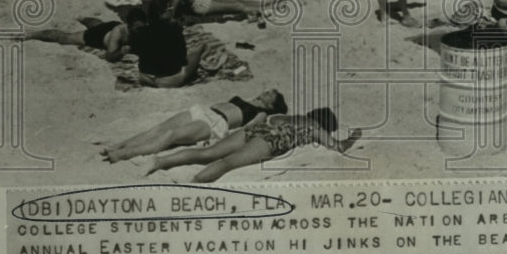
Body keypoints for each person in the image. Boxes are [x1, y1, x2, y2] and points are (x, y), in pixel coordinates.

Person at [142, 107, 362, 182]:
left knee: (207, 153)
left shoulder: (287, 116)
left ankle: (159, 161)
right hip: (270, 140)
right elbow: (337, 147)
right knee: (228, 163)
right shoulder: (314, 127)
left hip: (255, 129)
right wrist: (353, 137)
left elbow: (260, 120)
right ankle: (196, 182)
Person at [100, 88, 288, 163]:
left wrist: (219, 141)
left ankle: (125, 154)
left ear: (272, 104)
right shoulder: (249, 98)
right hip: (203, 111)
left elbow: (245, 131)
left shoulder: (261, 113)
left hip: (215, 123)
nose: (268, 91)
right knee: (158, 129)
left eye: (272, 94)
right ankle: (119, 145)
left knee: (171, 135)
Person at [26, 17, 131, 61]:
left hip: (111, 29)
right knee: (65, 38)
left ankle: (82, 18)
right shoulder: (120, 33)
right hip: (101, 36)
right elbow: (109, 56)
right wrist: (121, 52)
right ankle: (31, 34)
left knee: (99, 25)